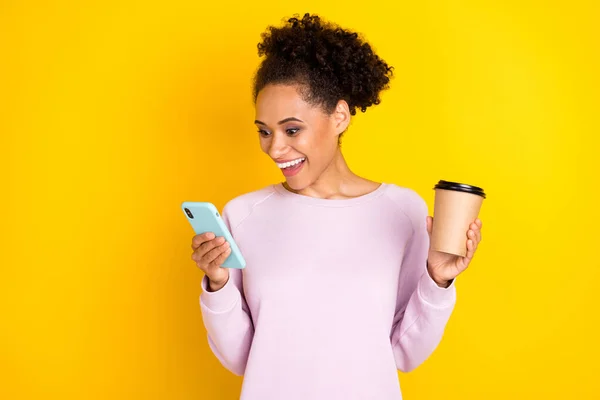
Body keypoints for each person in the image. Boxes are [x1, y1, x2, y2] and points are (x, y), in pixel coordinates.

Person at [190, 13, 483, 400]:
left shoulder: (401, 211)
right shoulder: (243, 215)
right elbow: (241, 358)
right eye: (264, 132)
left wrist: (438, 280)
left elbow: (405, 353)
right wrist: (218, 284)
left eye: (292, 130)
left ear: (339, 117)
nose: (275, 148)